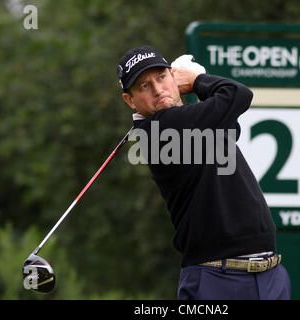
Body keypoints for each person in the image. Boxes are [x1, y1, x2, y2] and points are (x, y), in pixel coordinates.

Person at [117, 45, 291, 300]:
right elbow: (238, 95)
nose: (158, 90)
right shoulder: (159, 130)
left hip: (269, 274)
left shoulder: (187, 121)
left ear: (172, 76)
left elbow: (230, 126)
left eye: (162, 77)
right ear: (130, 100)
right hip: (218, 279)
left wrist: (198, 93)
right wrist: (198, 81)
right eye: (144, 86)